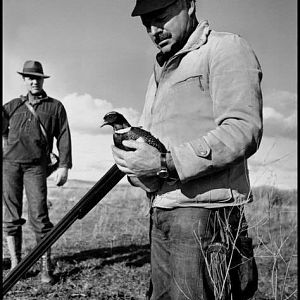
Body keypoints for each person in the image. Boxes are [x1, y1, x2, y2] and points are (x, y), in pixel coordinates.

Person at [112, 0, 263, 299]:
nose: (154, 30)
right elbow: (151, 143)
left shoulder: (225, 48)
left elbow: (243, 130)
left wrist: (165, 163)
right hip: (160, 211)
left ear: (189, 4)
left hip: (203, 215)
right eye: (146, 24)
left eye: (161, 17)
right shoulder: (158, 71)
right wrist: (135, 167)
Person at [2, 60, 72, 283]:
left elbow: (63, 135)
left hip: (36, 167)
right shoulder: (12, 106)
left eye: (37, 77)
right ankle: (16, 264)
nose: (34, 81)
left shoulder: (55, 107)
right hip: (10, 165)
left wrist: (64, 165)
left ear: (43, 80)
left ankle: (45, 267)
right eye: (29, 77)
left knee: (39, 216)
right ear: (24, 80)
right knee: (11, 217)